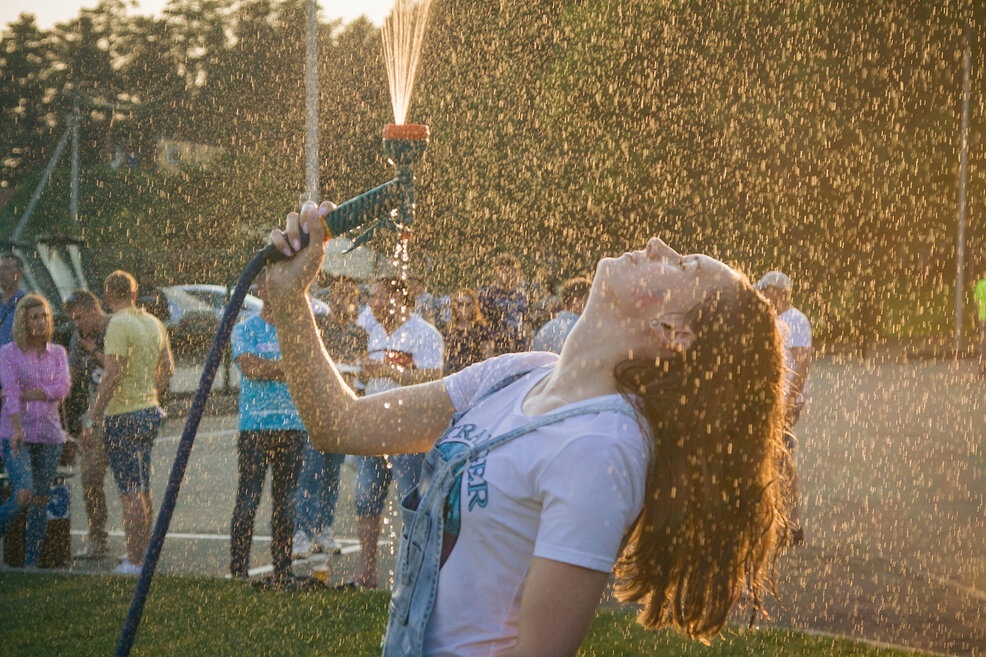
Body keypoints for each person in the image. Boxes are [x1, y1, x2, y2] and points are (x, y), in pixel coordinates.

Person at [265, 201, 789, 656]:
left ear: (674, 332)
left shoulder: (601, 450)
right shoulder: (520, 371)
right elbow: (339, 424)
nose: (656, 245)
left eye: (681, 265)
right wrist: (291, 301)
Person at [349, 275, 444, 589]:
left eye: (377, 296)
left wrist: (390, 371)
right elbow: (362, 378)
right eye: (371, 297)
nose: (371, 303)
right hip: (375, 428)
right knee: (365, 499)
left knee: (411, 504)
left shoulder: (424, 333)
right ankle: (367, 571)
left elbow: (434, 377)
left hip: (409, 431)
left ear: (397, 300)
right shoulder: (369, 330)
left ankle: (412, 575)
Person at [80, 271, 174, 575]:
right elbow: (168, 369)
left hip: (123, 415)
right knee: (143, 488)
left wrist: (93, 417)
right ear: (135, 294)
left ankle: (134, 561)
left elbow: (113, 372)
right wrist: (150, 393)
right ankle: (142, 556)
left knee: (131, 490)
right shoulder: (153, 322)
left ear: (107, 297)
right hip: (149, 411)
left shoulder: (118, 324)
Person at [229, 267, 311, 590]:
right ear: (260, 288)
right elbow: (252, 369)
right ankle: (238, 569)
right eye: (268, 283)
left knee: (286, 502)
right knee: (248, 498)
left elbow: (305, 369)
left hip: (292, 426)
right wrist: (287, 367)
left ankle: (283, 568)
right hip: (255, 428)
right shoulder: (246, 329)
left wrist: (279, 368)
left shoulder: (298, 328)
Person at [293, 276, 368, 558]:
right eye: (338, 293)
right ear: (331, 296)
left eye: (350, 295)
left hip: (343, 413)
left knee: (332, 476)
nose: (343, 299)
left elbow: (359, 373)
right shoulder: (320, 326)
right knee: (310, 474)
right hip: (317, 411)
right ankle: (302, 532)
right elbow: (315, 365)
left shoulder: (360, 333)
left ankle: (324, 528)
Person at [0, 294, 72, 568]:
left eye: (44, 316)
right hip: (17, 432)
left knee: (41, 500)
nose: (41, 322)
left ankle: (31, 565)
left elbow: (63, 389)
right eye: (35, 317)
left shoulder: (58, 353)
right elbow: (12, 392)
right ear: (23, 321)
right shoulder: (8, 352)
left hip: (50, 436)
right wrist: (17, 428)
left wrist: (38, 393)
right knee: (24, 493)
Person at [756, 270, 811, 545]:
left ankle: (792, 523)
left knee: (782, 457)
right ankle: (776, 520)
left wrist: (789, 401)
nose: (763, 295)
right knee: (773, 457)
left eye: (765, 290)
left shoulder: (796, 320)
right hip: (771, 402)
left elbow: (802, 363)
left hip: (786, 403)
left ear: (778, 291)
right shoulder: (772, 319)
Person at [64, 290, 112, 559]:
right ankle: (98, 539)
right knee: (91, 478)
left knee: (132, 484)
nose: (76, 324)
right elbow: (70, 377)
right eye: (73, 320)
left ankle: (140, 544)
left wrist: (94, 351)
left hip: (123, 410)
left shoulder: (116, 326)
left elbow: (119, 371)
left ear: (94, 310)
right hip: (95, 415)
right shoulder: (77, 338)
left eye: (80, 318)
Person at [478, 253, 529, 355]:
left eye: (514, 271)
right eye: (506, 271)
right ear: (496, 272)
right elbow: (482, 327)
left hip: (519, 350)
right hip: (498, 351)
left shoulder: (521, 295)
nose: (511, 275)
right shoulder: (486, 295)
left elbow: (527, 324)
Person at [440, 287, 494, 375]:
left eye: (468, 304)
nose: (464, 308)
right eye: (460, 304)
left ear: (473, 306)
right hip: (454, 378)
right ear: (454, 305)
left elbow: (488, 360)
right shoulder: (448, 331)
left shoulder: (481, 330)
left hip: (475, 376)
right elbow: (444, 361)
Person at [532, 276, 592, 354]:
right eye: (588, 299)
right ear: (576, 302)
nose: (594, 305)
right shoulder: (579, 330)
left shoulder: (546, 328)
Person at [975, 272, 986, 379]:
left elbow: (976, 301)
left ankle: (982, 369)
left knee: (983, 344)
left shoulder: (979, 285)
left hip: (982, 317)